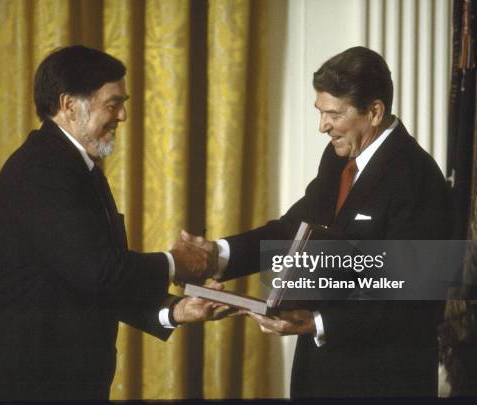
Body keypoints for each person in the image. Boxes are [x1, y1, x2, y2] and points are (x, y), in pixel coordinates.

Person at [0, 45, 227, 401]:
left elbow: (89, 281)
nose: (124, 115)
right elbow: (100, 272)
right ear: (69, 106)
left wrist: (175, 309)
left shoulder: (77, 167)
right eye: (112, 104)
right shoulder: (44, 169)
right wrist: (177, 262)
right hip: (18, 381)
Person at [180, 46, 452, 397]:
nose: (322, 126)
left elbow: (414, 301)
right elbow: (292, 230)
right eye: (320, 112)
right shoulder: (338, 158)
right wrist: (216, 254)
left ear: (374, 111)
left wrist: (317, 322)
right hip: (320, 376)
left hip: (384, 381)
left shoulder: (418, 179)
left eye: (334, 115)